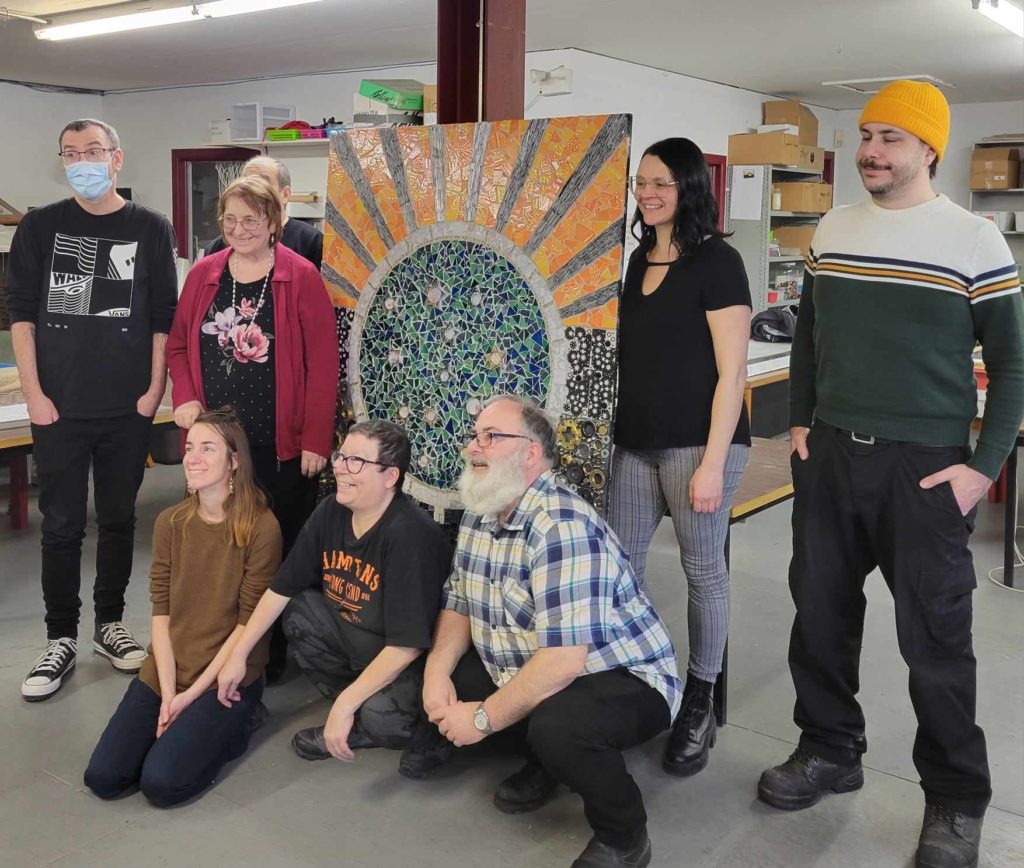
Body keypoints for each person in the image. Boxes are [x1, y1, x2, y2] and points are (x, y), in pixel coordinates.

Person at [757, 81, 1024, 868]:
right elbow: (808, 335)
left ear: (928, 149)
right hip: (832, 455)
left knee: (936, 642)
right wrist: (801, 420)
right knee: (820, 617)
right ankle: (828, 748)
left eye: (891, 138)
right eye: (867, 135)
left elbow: (1013, 366)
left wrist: (981, 468)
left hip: (927, 467)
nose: (871, 151)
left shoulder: (975, 240)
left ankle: (956, 799)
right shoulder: (833, 229)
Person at [402, 395, 681, 868]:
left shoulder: (560, 526)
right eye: (475, 435)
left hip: (621, 674)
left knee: (560, 728)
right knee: (436, 676)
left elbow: (563, 661)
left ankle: (625, 837)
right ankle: (546, 761)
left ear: (530, 452)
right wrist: (436, 674)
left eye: (491, 436)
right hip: (533, 660)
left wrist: (482, 719)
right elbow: (459, 602)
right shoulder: (482, 509)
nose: (473, 446)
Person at [7, 118, 178, 701]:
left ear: (117, 158)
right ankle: (60, 638)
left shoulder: (150, 228)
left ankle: (109, 624)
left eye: (94, 150)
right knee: (60, 527)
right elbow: (21, 316)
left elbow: (163, 316)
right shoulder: (40, 226)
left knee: (119, 519)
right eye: (71, 153)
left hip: (127, 407)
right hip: (58, 407)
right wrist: (34, 395)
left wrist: (153, 392)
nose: (83, 161)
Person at [608, 137, 751, 779]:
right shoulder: (639, 258)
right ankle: (640, 679)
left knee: (703, 572)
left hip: (699, 443)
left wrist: (713, 464)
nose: (647, 193)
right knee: (622, 570)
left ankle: (699, 696)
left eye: (661, 182)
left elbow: (732, 374)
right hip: (635, 442)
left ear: (689, 187)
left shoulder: (718, 262)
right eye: (641, 182)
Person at [167, 174, 338, 678]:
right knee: (219, 544)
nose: (239, 229)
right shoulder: (204, 274)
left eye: (251, 220)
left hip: (279, 443)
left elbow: (323, 364)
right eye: (230, 219)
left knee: (275, 547)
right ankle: (218, 644)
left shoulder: (299, 275)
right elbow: (178, 345)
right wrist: (185, 396)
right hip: (217, 444)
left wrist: (315, 438)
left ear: (274, 222)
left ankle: (268, 657)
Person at [216, 420, 450, 762]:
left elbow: (407, 647)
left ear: (390, 477)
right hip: (355, 638)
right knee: (297, 611)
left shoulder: (409, 536)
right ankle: (358, 705)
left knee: (383, 719)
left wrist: (343, 705)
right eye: (341, 456)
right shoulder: (331, 510)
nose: (340, 468)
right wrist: (238, 655)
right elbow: (281, 589)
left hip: (406, 662)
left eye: (356, 461)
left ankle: (423, 733)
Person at [83, 407, 282, 807]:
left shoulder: (262, 528)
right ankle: (185, 726)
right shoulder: (170, 522)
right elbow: (161, 611)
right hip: (170, 665)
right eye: (190, 447)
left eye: (208, 448)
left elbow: (247, 623)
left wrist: (188, 700)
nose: (193, 457)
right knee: (103, 778)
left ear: (234, 461)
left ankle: (240, 724)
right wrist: (169, 692)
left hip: (226, 675)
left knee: (162, 784)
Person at [204, 156, 323, 269]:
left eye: (263, 184)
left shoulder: (311, 241)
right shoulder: (218, 247)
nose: (253, 192)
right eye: (248, 184)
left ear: (285, 194)